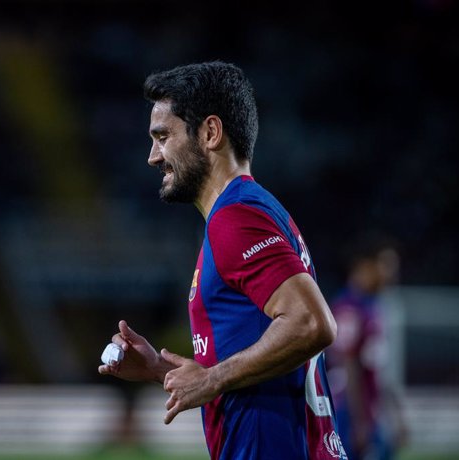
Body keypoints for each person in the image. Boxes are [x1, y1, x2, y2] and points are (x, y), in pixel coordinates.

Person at [98, 61, 348, 460]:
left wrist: (212, 378)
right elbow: (256, 360)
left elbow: (311, 323)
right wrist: (164, 372)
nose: (152, 156)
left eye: (163, 136)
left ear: (210, 133)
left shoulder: (237, 218)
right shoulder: (253, 211)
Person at [327, 235, 408, 460]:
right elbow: (349, 365)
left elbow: (378, 370)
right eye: (386, 265)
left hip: (370, 412)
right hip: (348, 412)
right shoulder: (349, 308)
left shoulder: (374, 307)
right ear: (365, 265)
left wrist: (395, 415)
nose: (391, 273)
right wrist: (359, 423)